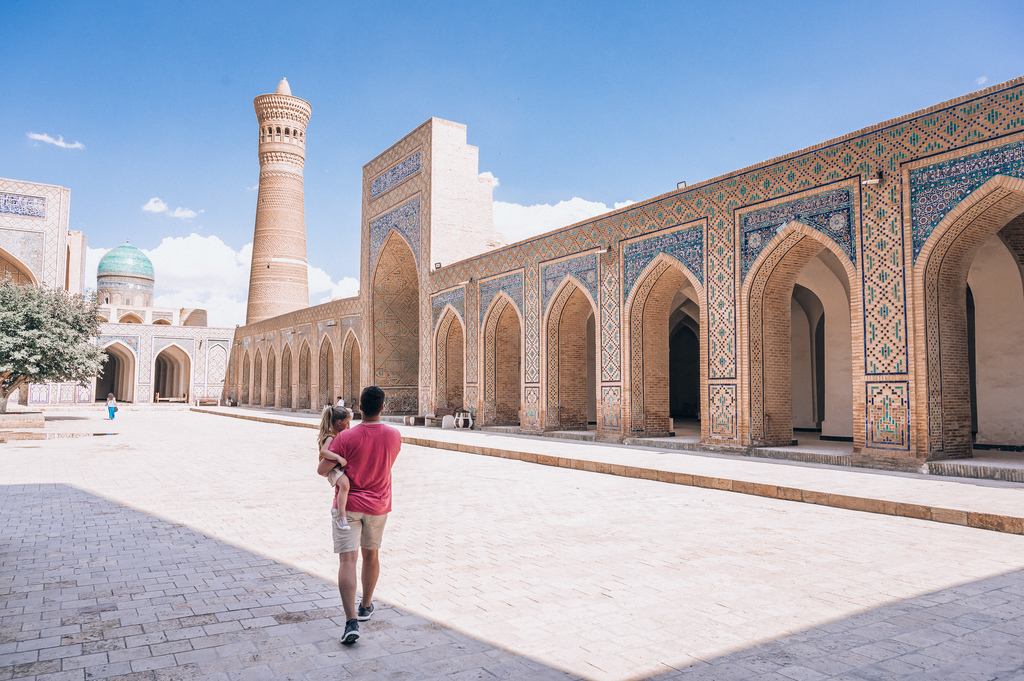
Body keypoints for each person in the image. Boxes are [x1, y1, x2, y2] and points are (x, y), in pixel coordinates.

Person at [317, 385, 400, 645]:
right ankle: (366, 605)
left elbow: (322, 469)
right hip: (378, 505)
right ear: (382, 408)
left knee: (347, 562)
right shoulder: (394, 435)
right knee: (371, 555)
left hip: (349, 505)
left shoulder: (346, 438)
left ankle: (351, 621)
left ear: (360, 408)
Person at [318, 406, 353, 532]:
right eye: (347, 422)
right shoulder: (330, 437)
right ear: (339, 423)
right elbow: (324, 451)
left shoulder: (335, 434)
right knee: (345, 485)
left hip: (334, 467)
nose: (349, 426)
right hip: (332, 468)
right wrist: (338, 458)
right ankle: (341, 516)